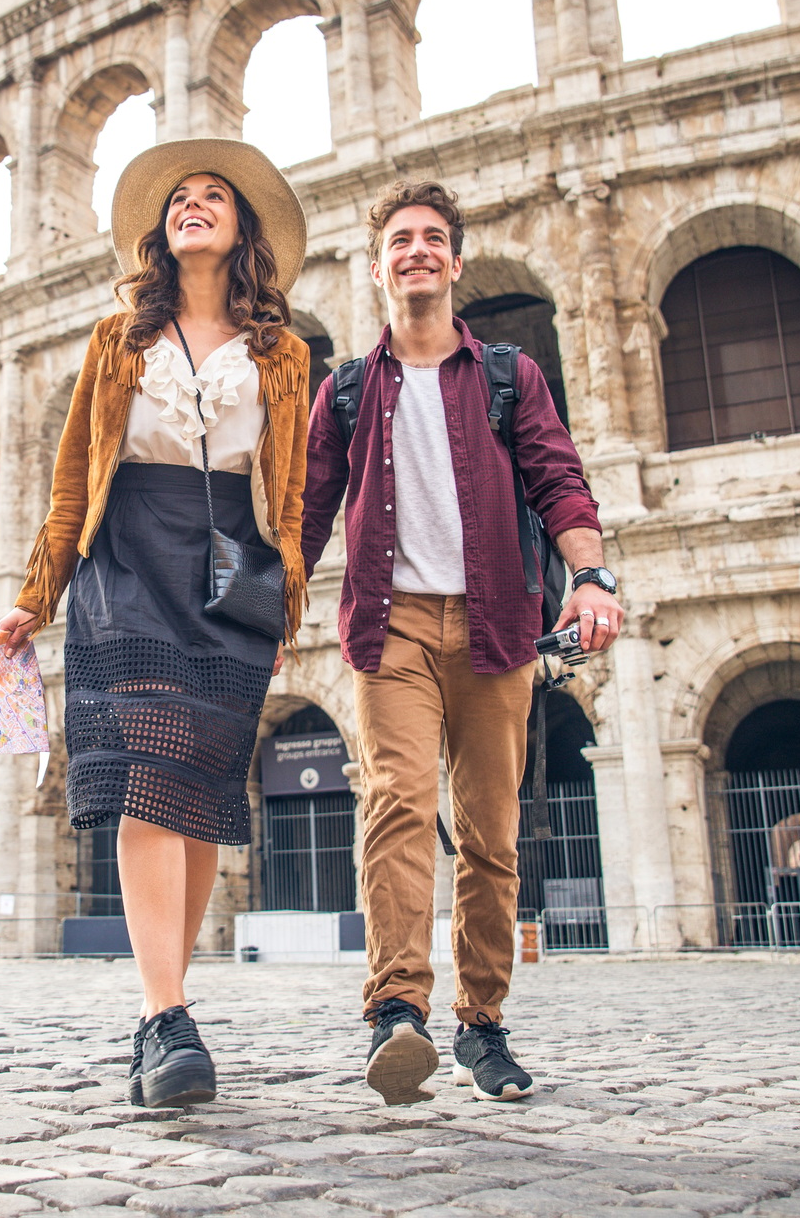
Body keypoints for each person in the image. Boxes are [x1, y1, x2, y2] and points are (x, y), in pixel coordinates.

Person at [0, 138, 312, 1109]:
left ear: (240, 230)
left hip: (230, 577)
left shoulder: (284, 353)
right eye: (178, 198)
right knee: (146, 775)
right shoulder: (114, 340)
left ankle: (160, 1015)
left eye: (212, 197)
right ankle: (165, 1013)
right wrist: (32, 598)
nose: (193, 205)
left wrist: (288, 594)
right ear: (159, 232)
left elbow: (290, 492)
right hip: (125, 559)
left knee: (204, 787)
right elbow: (67, 484)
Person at [301, 180, 626, 1105]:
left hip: (498, 626)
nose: (417, 252)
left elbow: (561, 481)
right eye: (400, 239)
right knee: (397, 800)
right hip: (389, 623)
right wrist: (269, 604)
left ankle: (483, 1023)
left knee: (491, 834)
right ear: (377, 267)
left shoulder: (508, 377)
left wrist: (592, 575)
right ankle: (396, 1011)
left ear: (454, 260)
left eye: (433, 238)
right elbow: (308, 513)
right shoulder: (350, 389)